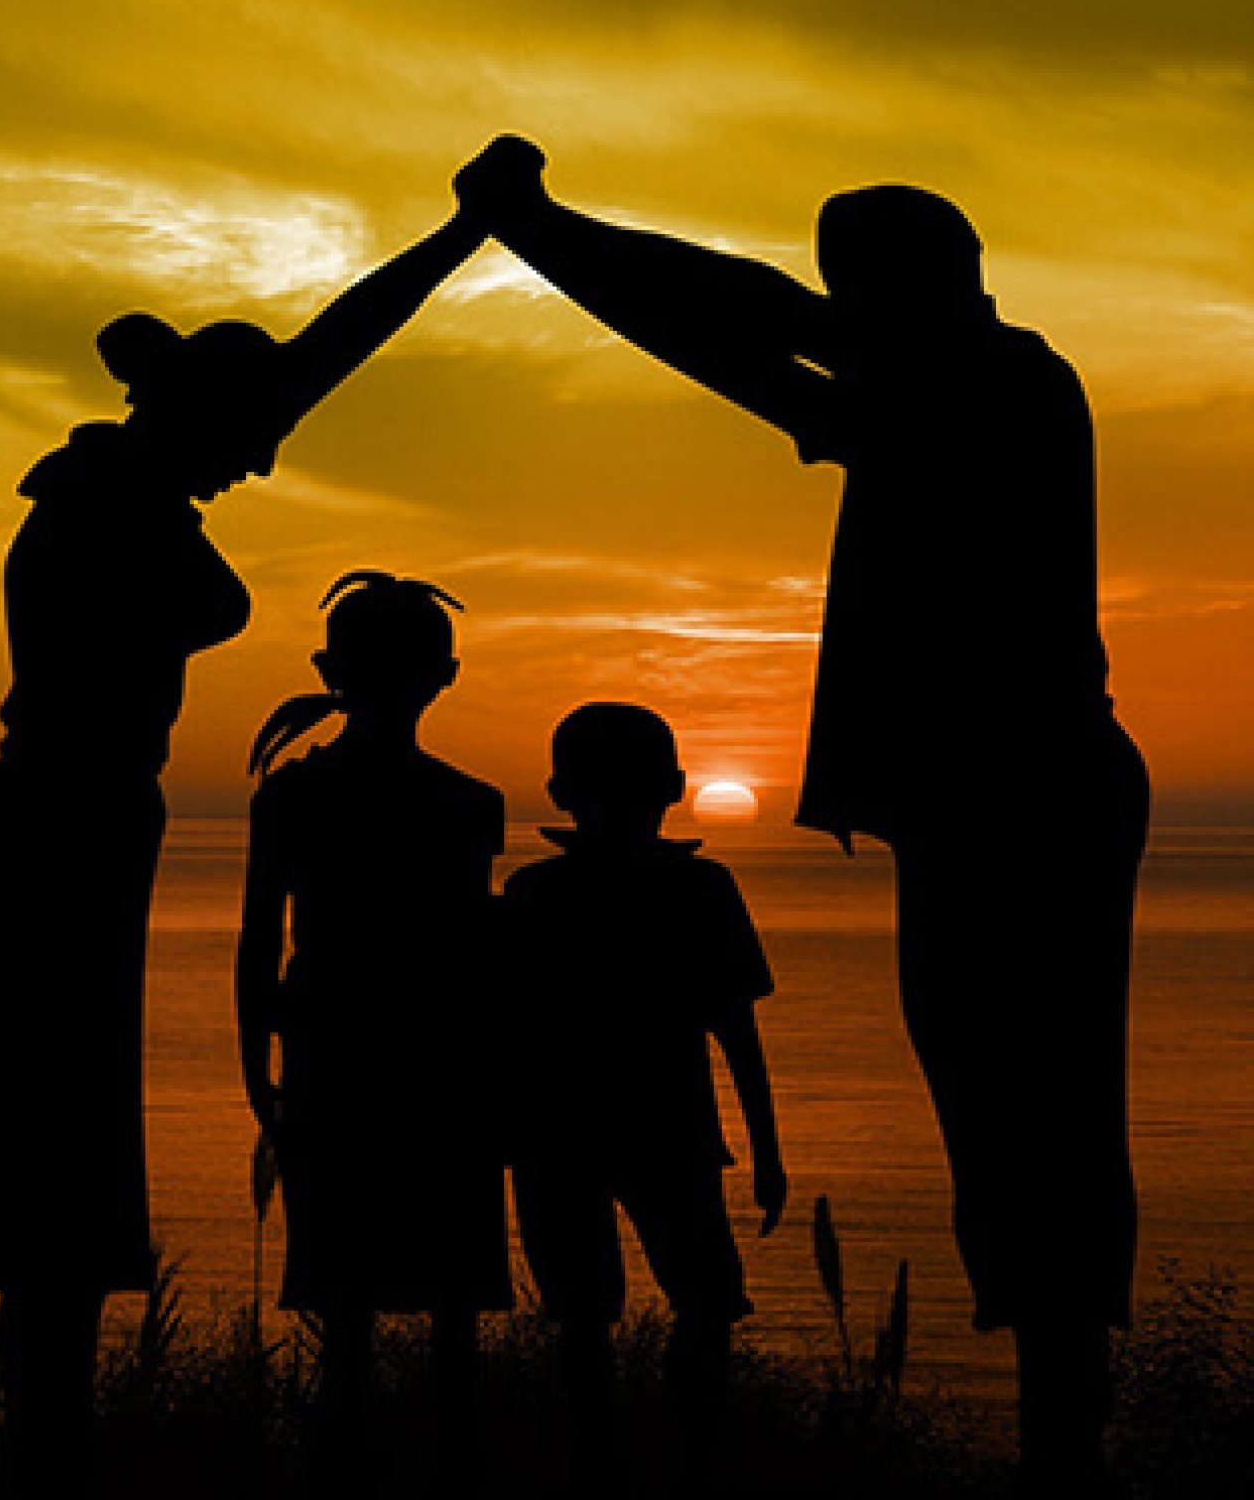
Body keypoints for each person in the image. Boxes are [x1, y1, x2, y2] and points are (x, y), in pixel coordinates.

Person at [453, 136, 1150, 1493]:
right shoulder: (945, 381)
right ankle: (1056, 1423)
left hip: (1027, 800)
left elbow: (750, 323)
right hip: (992, 802)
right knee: (1004, 1122)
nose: (835, 310)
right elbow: (746, 334)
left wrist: (541, 228)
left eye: (852, 287)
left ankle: (1065, 1443)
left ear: (913, 287)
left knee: (1041, 1126)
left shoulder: (990, 382)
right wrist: (545, 235)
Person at [0, 205, 486, 1495]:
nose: (262, 466)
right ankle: (47, 1449)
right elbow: (281, 405)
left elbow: (320, 354)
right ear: (199, 418)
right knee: (53, 1162)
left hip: (71, 821)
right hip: (54, 826)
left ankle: (50, 1439)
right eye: (254, 440)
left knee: (62, 1156)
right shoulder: (113, 504)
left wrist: (461, 235)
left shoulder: (125, 486)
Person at [236, 571, 512, 1481]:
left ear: (329, 669)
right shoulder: (469, 805)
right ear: (446, 676)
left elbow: (257, 943)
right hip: (442, 1069)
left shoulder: (292, 797)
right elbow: (478, 955)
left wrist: (255, 1067)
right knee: (448, 1310)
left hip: (337, 1060)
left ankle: (346, 1472)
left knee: (348, 1306)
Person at [503, 702, 785, 1487]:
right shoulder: (698, 890)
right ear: (677, 787)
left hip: (572, 1135)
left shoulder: (537, 893)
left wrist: (766, 1152)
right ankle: (680, 1461)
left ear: (559, 792)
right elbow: (738, 1033)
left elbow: (503, 1029)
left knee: (606, 1316)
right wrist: (767, 1152)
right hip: (648, 1133)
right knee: (686, 1305)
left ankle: (622, 1463)